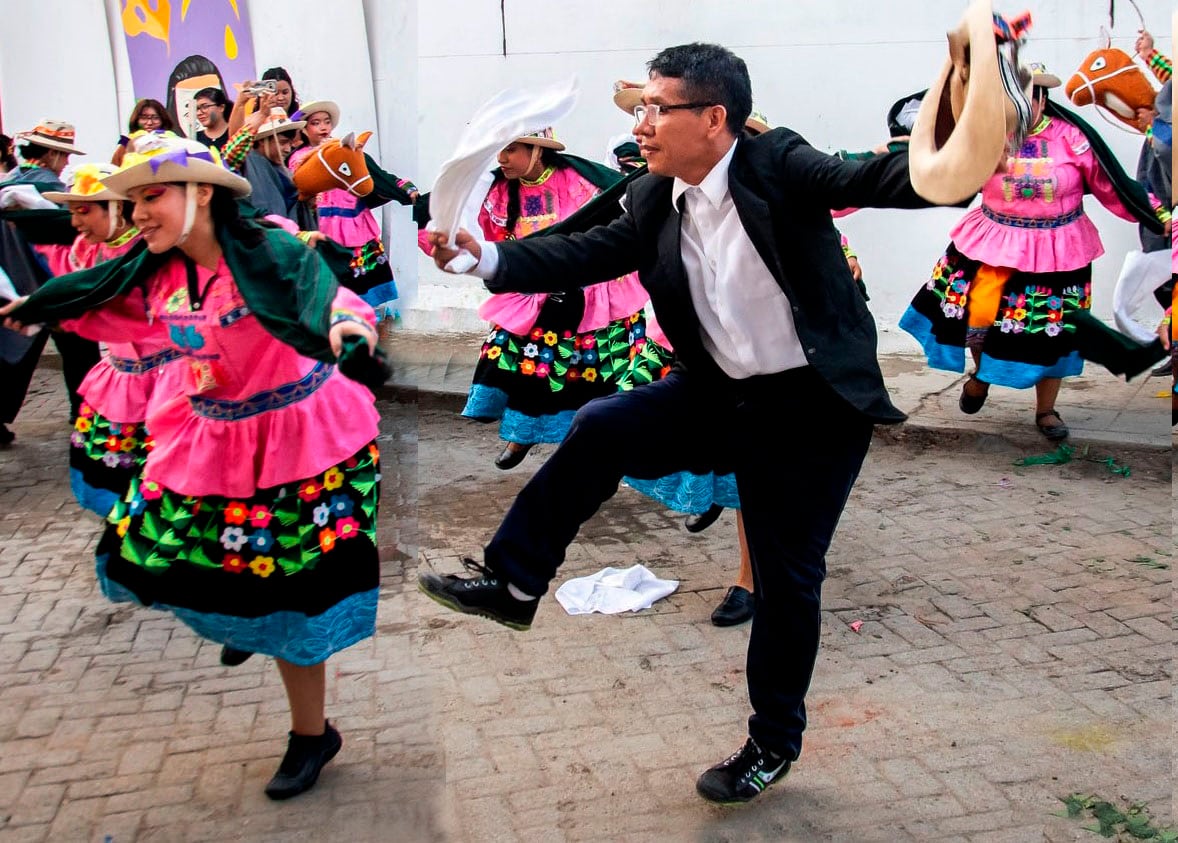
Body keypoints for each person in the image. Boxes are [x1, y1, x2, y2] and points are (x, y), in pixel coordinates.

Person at [420, 42, 937, 804]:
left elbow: (870, 178)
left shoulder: (778, 164)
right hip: (720, 392)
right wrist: (485, 260)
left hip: (812, 409)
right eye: (642, 109)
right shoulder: (652, 197)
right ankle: (515, 581)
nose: (642, 124)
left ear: (714, 118)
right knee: (603, 424)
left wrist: (969, 145)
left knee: (787, 578)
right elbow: (584, 253)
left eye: (657, 109)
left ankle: (771, 743)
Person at [1, 135, 383, 800]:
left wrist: (349, 331)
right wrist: (38, 307)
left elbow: (325, 296)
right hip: (209, 439)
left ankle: (310, 733)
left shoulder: (270, 251)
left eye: (151, 195)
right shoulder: (155, 273)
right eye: (132, 201)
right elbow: (103, 301)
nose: (138, 213)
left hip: (298, 447)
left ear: (202, 192)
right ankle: (249, 622)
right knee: (143, 550)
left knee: (291, 602)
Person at [900, 64, 1171, 440]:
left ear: (1043, 99)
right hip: (994, 244)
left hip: (1058, 250)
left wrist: (1154, 213)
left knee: (1054, 331)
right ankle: (982, 377)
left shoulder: (1072, 139)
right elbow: (948, 170)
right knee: (981, 320)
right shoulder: (987, 135)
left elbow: (1110, 185)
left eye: (1028, 97)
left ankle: (1046, 410)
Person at [452, 128, 652, 470]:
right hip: (535, 283)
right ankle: (523, 433)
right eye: (500, 150)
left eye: (512, 149)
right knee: (524, 360)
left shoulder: (578, 180)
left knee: (593, 370)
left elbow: (607, 220)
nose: (502, 159)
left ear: (537, 150)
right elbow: (488, 233)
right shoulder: (499, 190)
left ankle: (592, 446)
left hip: (589, 285)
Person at [38, 164, 174, 515]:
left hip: (167, 380)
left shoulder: (154, 248)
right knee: (118, 478)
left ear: (115, 207)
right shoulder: (86, 249)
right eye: (72, 212)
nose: (75, 222)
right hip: (120, 378)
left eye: (84, 211)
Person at [287, 100, 418, 322]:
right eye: (315, 123)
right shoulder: (301, 159)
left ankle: (362, 316)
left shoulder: (344, 151)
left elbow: (371, 173)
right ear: (305, 129)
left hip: (354, 221)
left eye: (326, 122)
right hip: (323, 225)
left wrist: (400, 188)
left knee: (360, 278)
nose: (323, 127)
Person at [222, 97, 315, 229]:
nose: (288, 149)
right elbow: (231, 151)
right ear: (262, 140)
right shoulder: (247, 162)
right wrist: (259, 113)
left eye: (290, 144)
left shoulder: (286, 172)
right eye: (282, 143)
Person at [2, 119, 84, 191]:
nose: (67, 162)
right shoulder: (51, 183)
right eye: (66, 156)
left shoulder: (11, 175)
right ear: (52, 153)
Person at [112, 99, 175, 165]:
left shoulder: (172, 141)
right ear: (136, 120)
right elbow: (114, 168)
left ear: (163, 120)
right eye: (144, 118)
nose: (149, 123)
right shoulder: (125, 145)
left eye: (155, 118)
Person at [192, 87, 232, 153]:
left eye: (205, 107)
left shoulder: (235, 134)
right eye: (196, 109)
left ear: (221, 107)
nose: (199, 113)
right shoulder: (194, 139)